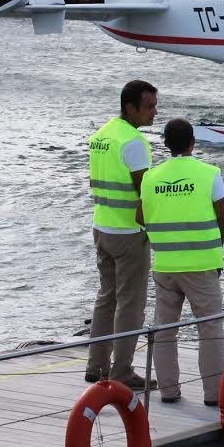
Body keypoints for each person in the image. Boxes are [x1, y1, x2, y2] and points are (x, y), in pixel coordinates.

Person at [141, 118, 224, 406]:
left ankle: (168, 390)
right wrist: (214, 248)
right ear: (193, 141)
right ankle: (215, 394)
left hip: (165, 264)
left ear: (165, 144)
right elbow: (223, 219)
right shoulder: (209, 174)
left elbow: (140, 218)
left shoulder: (150, 178)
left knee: (165, 330)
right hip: (202, 264)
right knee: (210, 329)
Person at [85, 79, 158, 388]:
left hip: (102, 226)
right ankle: (123, 371)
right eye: (150, 107)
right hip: (129, 232)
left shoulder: (102, 135)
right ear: (131, 108)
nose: (155, 113)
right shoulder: (134, 143)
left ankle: (96, 365)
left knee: (107, 298)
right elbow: (147, 193)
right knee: (131, 303)